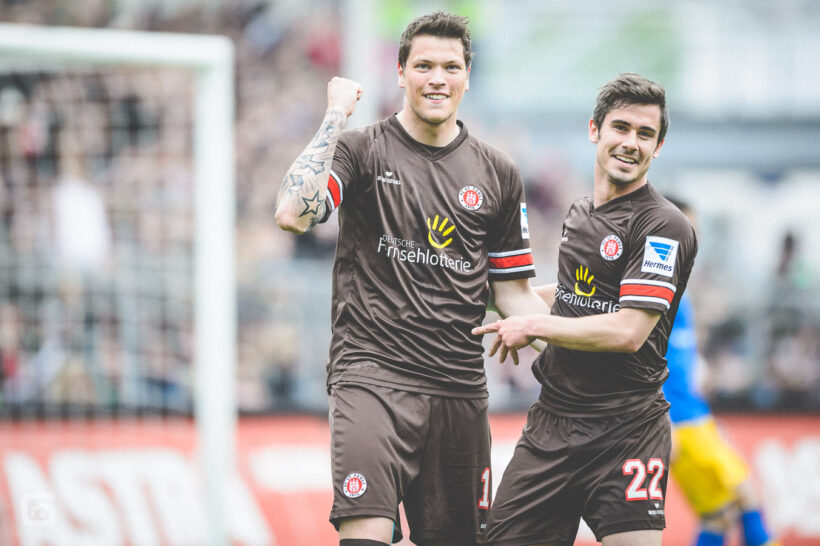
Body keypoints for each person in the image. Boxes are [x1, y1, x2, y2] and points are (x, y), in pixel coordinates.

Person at [275, 11, 548, 546]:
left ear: (467, 76)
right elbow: (293, 213)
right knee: (365, 533)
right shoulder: (361, 149)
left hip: (459, 390)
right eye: (423, 66)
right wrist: (335, 115)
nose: (437, 79)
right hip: (371, 378)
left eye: (451, 67)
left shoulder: (499, 173)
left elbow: (512, 294)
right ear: (400, 73)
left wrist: (578, 348)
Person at [473, 73, 698, 546]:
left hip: (627, 429)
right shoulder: (580, 212)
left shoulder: (664, 225)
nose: (631, 142)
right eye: (621, 127)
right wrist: (489, 294)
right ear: (594, 129)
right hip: (553, 425)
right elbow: (575, 295)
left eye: (645, 134)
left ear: (658, 146)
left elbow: (628, 331)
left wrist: (534, 324)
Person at [663, 197, 779, 546]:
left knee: (718, 514)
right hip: (682, 420)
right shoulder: (656, 289)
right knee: (747, 496)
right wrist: (661, 416)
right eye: (685, 231)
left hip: (694, 413)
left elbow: (677, 355)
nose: (692, 241)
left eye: (695, 233)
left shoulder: (680, 291)